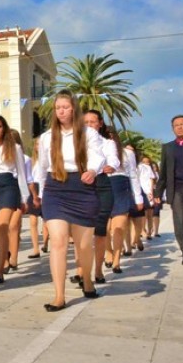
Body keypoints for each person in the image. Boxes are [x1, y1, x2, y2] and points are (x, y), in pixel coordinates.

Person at [33, 89, 105, 311]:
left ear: (74, 108)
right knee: (58, 242)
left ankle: (88, 279)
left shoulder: (88, 133)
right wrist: (40, 194)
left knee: (83, 245)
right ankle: (59, 296)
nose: (61, 111)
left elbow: (99, 156)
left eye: (65, 107)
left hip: (82, 187)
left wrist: (92, 170)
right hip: (55, 189)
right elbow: (42, 167)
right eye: (57, 108)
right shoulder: (46, 138)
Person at [71, 110, 119, 286]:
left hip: (101, 185)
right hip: (79, 186)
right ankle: (81, 270)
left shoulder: (107, 143)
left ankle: (98, 270)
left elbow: (114, 159)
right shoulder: (75, 143)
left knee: (99, 231)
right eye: (86, 122)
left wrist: (111, 166)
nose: (89, 125)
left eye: (93, 122)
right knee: (79, 231)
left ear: (100, 124)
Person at [0, 116, 32, 284]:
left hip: (9, 186)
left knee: (3, 226)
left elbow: (21, 173)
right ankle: (4, 256)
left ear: (4, 128)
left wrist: (24, 197)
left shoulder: (15, 147)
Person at [105, 126, 143, 274]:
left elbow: (133, 175)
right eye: (106, 135)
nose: (110, 137)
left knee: (118, 228)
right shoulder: (98, 151)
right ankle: (108, 251)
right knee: (104, 229)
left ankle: (116, 261)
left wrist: (138, 197)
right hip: (103, 188)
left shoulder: (127, 153)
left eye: (111, 135)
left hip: (122, 188)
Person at [155, 114, 183, 265]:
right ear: (173, 128)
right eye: (177, 125)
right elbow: (163, 172)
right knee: (181, 222)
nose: (180, 127)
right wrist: (158, 191)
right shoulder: (167, 148)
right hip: (177, 189)